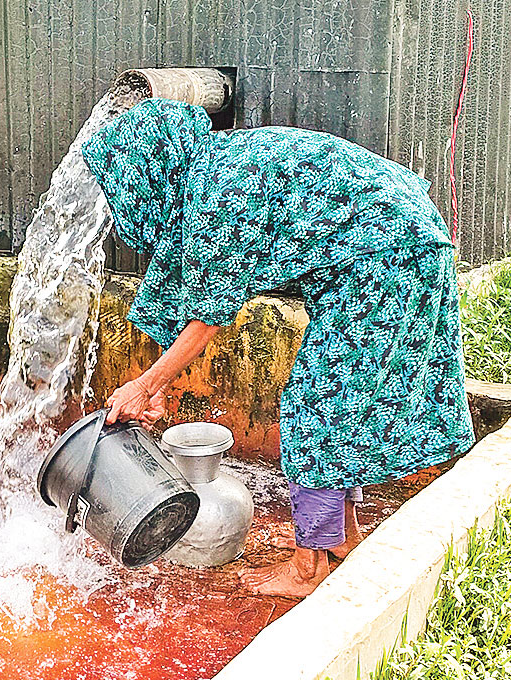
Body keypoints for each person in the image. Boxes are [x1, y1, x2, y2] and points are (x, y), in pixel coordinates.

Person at [82, 98, 475, 598]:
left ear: (146, 169)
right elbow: (196, 292)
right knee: (338, 406)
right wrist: (158, 383)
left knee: (317, 406)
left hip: (389, 256)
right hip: (402, 239)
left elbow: (207, 317)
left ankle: (308, 567)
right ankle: (338, 539)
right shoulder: (215, 166)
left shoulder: (216, 196)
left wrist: (145, 385)